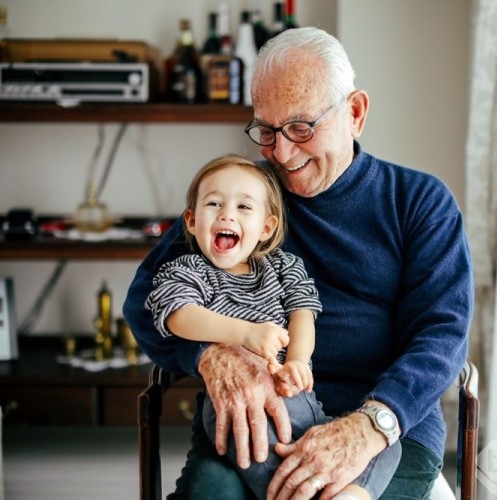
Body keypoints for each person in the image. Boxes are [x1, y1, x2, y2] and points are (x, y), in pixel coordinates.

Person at [124, 26, 473, 499]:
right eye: (266, 130)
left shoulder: (419, 202)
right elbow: (147, 298)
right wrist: (209, 353)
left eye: (301, 128)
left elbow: (442, 334)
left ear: (355, 113)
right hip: (258, 417)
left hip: (384, 427)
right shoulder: (245, 199)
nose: (281, 154)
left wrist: (368, 427)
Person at [144, 154, 400, 500]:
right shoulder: (189, 271)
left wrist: (297, 360)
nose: (227, 214)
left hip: (301, 401)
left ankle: (350, 495)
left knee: (386, 445)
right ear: (191, 220)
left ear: (266, 227)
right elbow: (179, 315)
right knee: (253, 444)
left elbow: (303, 313)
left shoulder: (282, 267)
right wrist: (245, 333)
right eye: (214, 203)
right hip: (237, 405)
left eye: (243, 207)